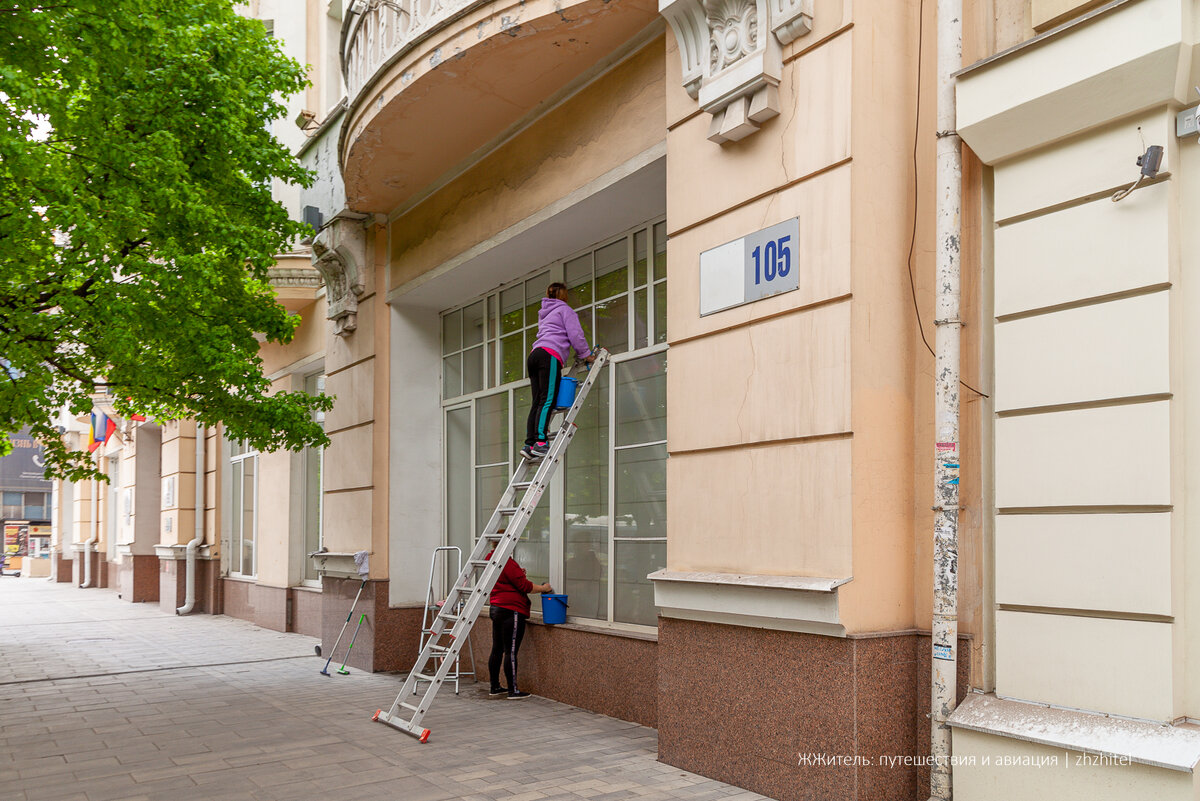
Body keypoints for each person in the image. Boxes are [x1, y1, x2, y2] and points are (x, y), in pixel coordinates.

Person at [522, 282, 595, 461]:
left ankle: (530, 444)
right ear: (564, 296)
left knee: (537, 401)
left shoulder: (545, 314)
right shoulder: (566, 310)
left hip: (534, 355)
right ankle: (540, 442)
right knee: (548, 399)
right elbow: (575, 334)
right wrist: (586, 355)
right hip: (549, 354)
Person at [488, 549, 552, 699]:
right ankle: (513, 690)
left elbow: (504, 579)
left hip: (496, 608)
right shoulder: (507, 561)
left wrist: (518, 574)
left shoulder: (490, 557)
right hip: (511, 610)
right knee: (510, 652)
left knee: (497, 649)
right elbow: (525, 587)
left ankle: (495, 686)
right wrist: (544, 588)